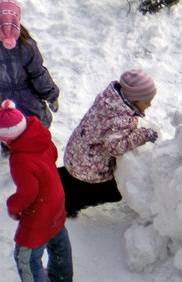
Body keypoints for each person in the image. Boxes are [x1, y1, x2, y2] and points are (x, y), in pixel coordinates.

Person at [0, 100, 73, 282]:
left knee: (26, 258)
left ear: (6, 139)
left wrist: (13, 206)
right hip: (55, 199)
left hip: (38, 213)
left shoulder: (20, 159)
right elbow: (54, 154)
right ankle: (61, 277)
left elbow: (28, 193)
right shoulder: (40, 135)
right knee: (57, 235)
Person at [60, 69, 158, 217]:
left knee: (73, 177)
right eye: (146, 102)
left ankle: (59, 179)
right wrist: (142, 135)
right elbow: (115, 147)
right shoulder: (121, 119)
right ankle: (69, 205)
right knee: (113, 192)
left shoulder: (108, 101)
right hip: (90, 167)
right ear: (134, 100)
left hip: (76, 152)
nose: (149, 105)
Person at [0, 0, 60, 129]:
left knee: (5, 125)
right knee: (32, 127)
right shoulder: (27, 46)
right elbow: (38, 75)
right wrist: (51, 95)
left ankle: (7, 147)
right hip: (26, 99)